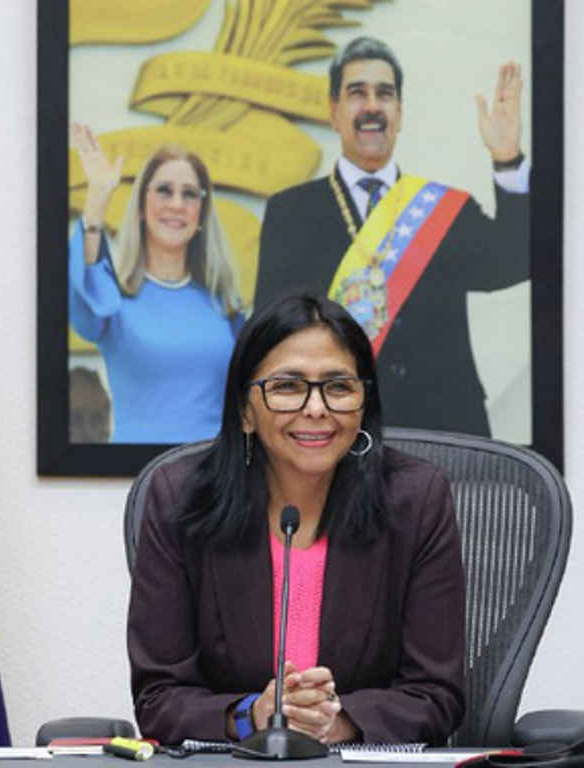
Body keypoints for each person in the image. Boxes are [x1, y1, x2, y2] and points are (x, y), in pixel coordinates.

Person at [127, 294, 465, 745]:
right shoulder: (180, 499)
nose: (316, 408)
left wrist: (336, 722)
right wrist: (254, 715)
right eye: (287, 386)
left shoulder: (415, 501)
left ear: (364, 403)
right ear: (245, 410)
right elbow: (159, 697)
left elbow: (437, 694)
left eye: (338, 387)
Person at [255, 37, 529, 438]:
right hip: (333, 431)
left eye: (384, 94)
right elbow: (269, 335)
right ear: (333, 111)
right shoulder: (291, 212)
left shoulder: (443, 209)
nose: (372, 106)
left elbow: (515, 259)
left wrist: (507, 159)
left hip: (443, 427)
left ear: (399, 113)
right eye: (357, 93)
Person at [69, 122, 244, 443]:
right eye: (164, 190)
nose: (177, 204)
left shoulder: (225, 304)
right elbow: (84, 295)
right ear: (141, 207)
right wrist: (97, 199)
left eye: (189, 194)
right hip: (138, 469)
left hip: (215, 469)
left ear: (201, 214)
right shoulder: (112, 300)